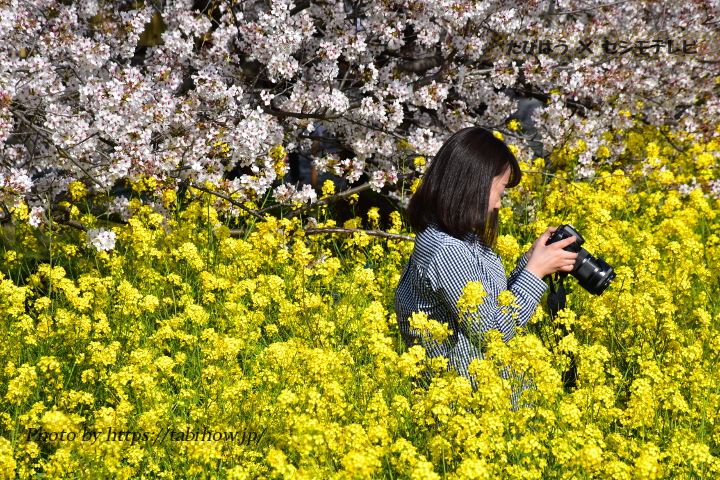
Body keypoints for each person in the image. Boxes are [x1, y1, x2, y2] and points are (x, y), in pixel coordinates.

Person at [394, 126, 578, 406]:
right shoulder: (447, 250)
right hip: (471, 410)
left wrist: (530, 261)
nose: (498, 206)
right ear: (474, 186)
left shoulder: (463, 237)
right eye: (500, 192)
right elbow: (493, 333)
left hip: (491, 403)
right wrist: (536, 272)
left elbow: (495, 305)